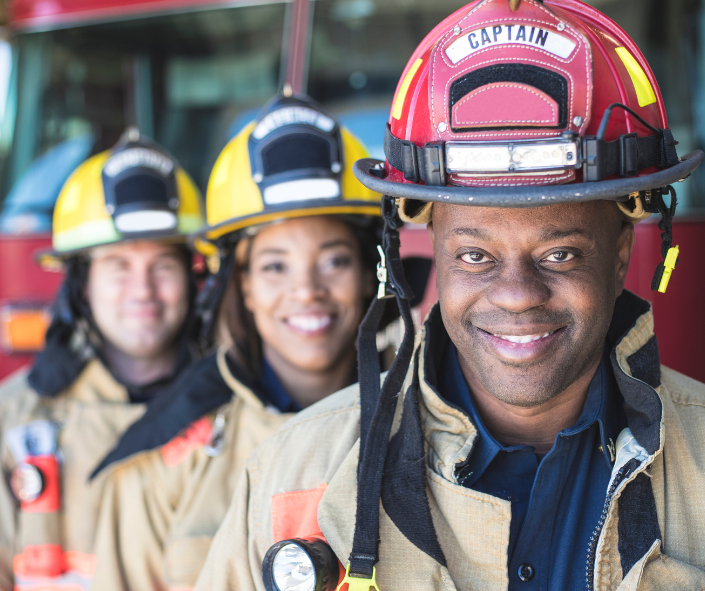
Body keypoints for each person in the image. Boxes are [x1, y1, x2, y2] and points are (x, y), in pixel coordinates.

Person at [193, 1, 705, 590]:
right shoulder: (291, 476)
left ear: (619, 256)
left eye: (559, 253)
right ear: (430, 251)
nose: (516, 295)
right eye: (475, 256)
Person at [87, 93, 383, 591]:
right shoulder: (157, 464)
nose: (307, 290)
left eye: (334, 260)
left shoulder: (433, 422)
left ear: (371, 272)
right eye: (274, 266)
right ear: (241, 284)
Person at [0, 129, 205, 591]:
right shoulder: (14, 423)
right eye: (118, 266)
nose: (143, 290)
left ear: (193, 281)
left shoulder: (232, 416)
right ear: (81, 286)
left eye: (163, 266)